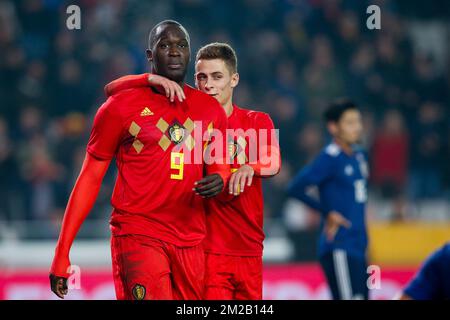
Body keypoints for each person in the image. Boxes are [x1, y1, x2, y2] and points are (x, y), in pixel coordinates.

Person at [49, 20, 229, 300]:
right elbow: (89, 178)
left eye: (181, 45)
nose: (173, 52)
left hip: (191, 241)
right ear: (149, 55)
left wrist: (220, 177)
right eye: (165, 45)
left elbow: (218, 164)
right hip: (138, 234)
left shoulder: (210, 110)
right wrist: (62, 252)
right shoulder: (120, 107)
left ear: (190, 54)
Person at [105, 42, 281, 300]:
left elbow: (273, 161)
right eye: (202, 77)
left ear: (234, 79)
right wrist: (149, 78)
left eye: (217, 76)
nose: (208, 84)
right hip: (207, 251)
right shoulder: (190, 125)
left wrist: (249, 167)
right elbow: (112, 89)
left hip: (250, 250)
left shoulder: (257, 121)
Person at [287, 99, 370, 300]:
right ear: (333, 127)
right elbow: (295, 187)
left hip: (359, 245)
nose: (357, 127)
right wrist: (327, 211)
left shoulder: (359, 157)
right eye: (350, 123)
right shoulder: (329, 158)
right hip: (339, 245)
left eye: (358, 121)